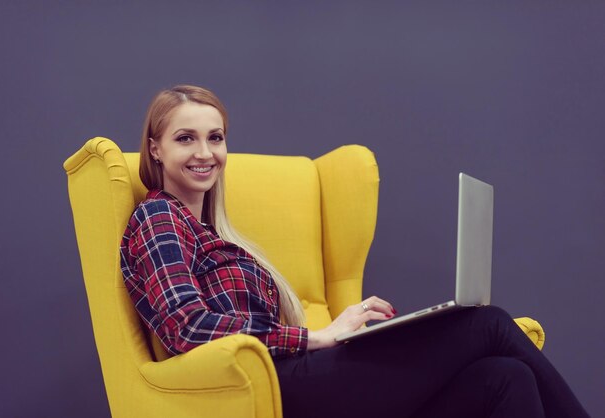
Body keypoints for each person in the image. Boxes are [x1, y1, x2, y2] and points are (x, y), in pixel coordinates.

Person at [120, 84, 589, 418]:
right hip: (275, 390)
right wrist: (318, 338)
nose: (205, 152)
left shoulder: (216, 234)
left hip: (302, 377)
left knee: (506, 378)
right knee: (485, 323)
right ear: (155, 149)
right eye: (186, 138)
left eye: (215, 137)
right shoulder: (159, 217)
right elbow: (187, 325)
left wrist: (334, 336)